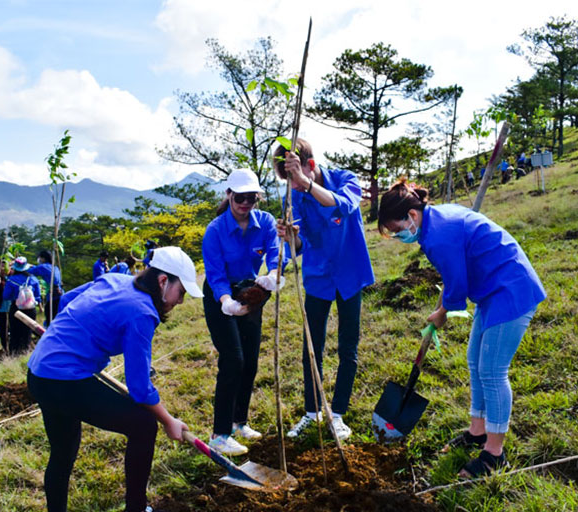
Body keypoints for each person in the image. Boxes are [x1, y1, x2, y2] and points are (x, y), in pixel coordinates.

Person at [377, 180, 546, 478]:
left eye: (396, 228)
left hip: (510, 289)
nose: (396, 235)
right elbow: (454, 272)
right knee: (475, 361)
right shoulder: (433, 224)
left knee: (493, 370)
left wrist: (443, 312)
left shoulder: (439, 234)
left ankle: (494, 453)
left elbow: (458, 285)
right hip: (492, 289)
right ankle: (478, 431)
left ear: (412, 216)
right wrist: (441, 307)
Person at [26, 247, 202, 512]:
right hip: (65, 380)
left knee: (63, 451)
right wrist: (168, 420)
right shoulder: (142, 313)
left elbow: (69, 299)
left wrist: (69, 333)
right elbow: (139, 387)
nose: (180, 301)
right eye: (181, 292)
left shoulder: (116, 279)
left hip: (40, 373)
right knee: (144, 425)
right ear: (163, 282)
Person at [274, 138, 375, 441]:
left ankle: (339, 415)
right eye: (287, 181)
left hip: (350, 272)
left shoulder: (345, 179)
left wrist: (307, 185)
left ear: (311, 166)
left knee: (348, 347)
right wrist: (290, 238)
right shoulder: (293, 198)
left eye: (293, 178)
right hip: (318, 277)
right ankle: (312, 411)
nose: (292, 186)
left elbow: (344, 205)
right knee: (311, 348)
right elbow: (303, 246)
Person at [202, 169, 282, 456]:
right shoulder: (215, 231)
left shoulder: (266, 223)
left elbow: (275, 252)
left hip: (251, 293)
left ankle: (239, 422)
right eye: (240, 198)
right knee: (233, 359)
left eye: (251, 197)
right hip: (220, 297)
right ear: (228, 195)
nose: (245, 203)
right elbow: (214, 274)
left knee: (249, 361)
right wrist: (226, 301)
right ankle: (219, 434)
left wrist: (273, 273)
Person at [3, 256, 42, 355]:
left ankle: (13, 353)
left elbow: (5, 296)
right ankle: (25, 352)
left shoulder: (11, 280)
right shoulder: (33, 279)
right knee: (27, 332)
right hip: (30, 308)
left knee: (15, 332)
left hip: (16, 309)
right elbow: (38, 295)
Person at [29, 251, 63, 328]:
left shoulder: (43, 267)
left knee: (50, 316)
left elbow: (32, 271)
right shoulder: (55, 267)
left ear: (43, 258)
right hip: (60, 293)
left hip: (52, 295)